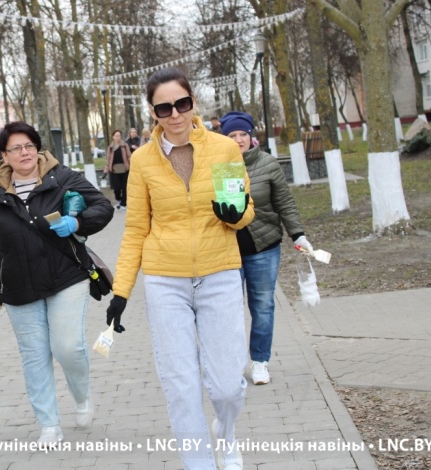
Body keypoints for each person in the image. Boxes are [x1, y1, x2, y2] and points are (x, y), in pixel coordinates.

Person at [104, 67, 254, 470]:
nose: (175, 114)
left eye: (181, 104)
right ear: (153, 113)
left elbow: (244, 212)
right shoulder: (143, 160)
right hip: (165, 280)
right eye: (164, 108)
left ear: (193, 103)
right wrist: (121, 291)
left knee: (226, 386)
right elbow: (135, 229)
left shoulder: (224, 149)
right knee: (182, 385)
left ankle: (227, 430)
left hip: (219, 272)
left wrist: (235, 212)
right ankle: (199, 463)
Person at [0, 121, 114, 448]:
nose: (24, 153)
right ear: (4, 155)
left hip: (65, 277)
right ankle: (49, 424)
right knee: (34, 356)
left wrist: (77, 221)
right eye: (16, 148)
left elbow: (103, 207)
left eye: (29, 146)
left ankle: (82, 396)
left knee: (67, 346)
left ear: (38, 148)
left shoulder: (63, 178)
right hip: (19, 287)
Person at [220, 111, 313, 386]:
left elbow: (285, 202)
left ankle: (260, 362)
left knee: (262, 306)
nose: (238, 140)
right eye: (232, 135)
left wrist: (298, 234)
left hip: (264, 247)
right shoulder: (218, 166)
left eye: (243, 134)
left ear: (251, 136)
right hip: (227, 250)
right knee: (228, 309)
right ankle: (233, 362)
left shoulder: (268, 164)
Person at [104, 130, 131, 211]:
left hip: (125, 169)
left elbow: (129, 156)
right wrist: (107, 168)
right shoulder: (111, 147)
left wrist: (131, 165)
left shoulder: (125, 145)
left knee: (125, 187)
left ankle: (123, 204)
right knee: (117, 188)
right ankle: (118, 200)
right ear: (113, 137)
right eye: (116, 136)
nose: (118, 137)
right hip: (114, 170)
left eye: (119, 135)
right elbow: (108, 159)